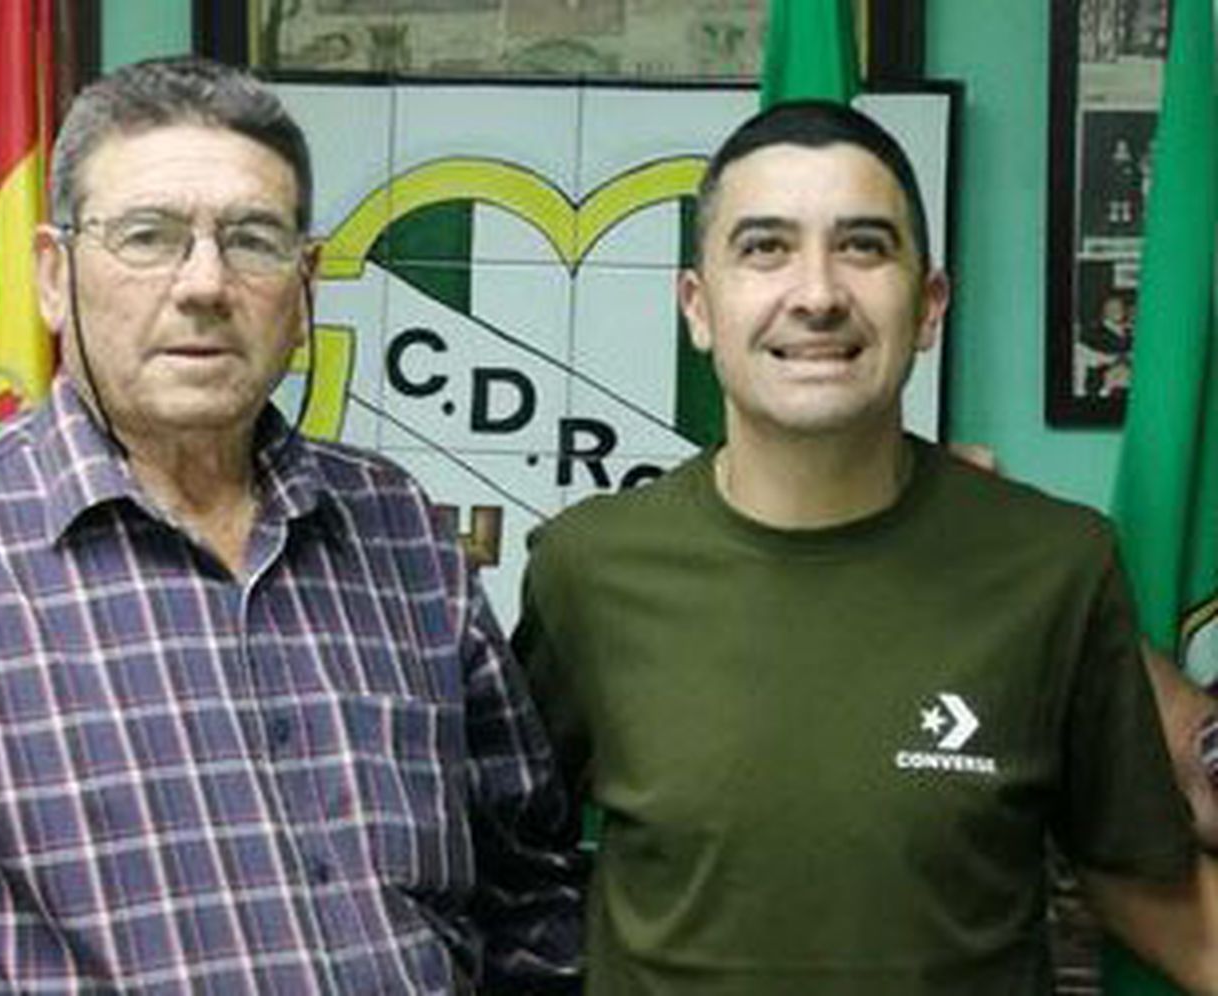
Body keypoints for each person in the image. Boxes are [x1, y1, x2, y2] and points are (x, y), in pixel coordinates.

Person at [0, 57, 582, 994]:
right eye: (149, 236)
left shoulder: (397, 531)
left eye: (251, 240)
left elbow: (529, 898)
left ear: (306, 287)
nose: (205, 283)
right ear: (53, 277)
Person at [513, 100, 1218, 994]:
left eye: (864, 246)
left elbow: (1152, 894)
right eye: (765, 247)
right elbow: (504, 873)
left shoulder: (1056, 568)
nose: (816, 294)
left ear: (929, 306)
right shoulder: (586, 569)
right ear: (698, 306)